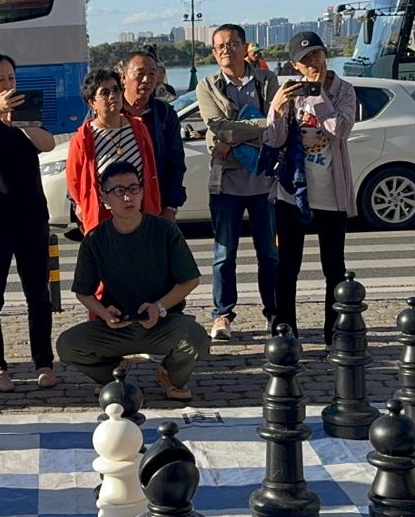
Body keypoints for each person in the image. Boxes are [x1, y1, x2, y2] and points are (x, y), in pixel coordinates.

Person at [57, 161, 207, 401]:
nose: (127, 197)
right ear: (104, 197)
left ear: (142, 191)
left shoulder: (165, 230)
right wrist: (104, 313)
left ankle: (170, 375)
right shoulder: (95, 239)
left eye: (133, 188)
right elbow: (83, 292)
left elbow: (190, 280)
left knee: (196, 337)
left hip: (162, 323)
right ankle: (113, 371)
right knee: (68, 345)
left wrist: (159, 307)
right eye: (118, 191)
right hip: (117, 327)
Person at [0, 52, 58, 392]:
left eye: (11, 78)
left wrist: (25, 123)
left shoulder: (24, 114)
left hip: (32, 215)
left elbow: (48, 144)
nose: (7, 85)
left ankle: (44, 363)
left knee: (39, 295)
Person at [263, 31, 357, 346]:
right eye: (305, 59)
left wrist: (317, 96)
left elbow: (340, 129)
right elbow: (273, 140)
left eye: (316, 54)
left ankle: (335, 332)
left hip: (331, 192)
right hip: (293, 191)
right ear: (295, 65)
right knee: (288, 265)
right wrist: (277, 107)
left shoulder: (344, 91)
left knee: (334, 266)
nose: (312, 62)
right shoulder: (290, 92)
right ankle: (285, 331)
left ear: (325, 54)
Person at [197, 23, 282, 341]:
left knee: (269, 254)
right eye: (220, 46)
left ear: (245, 47)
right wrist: (251, 129)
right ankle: (222, 314)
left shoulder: (266, 80)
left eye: (232, 43)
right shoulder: (208, 86)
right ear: (213, 52)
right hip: (226, 182)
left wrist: (232, 139)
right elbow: (217, 126)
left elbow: (276, 123)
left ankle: (274, 312)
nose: (226, 50)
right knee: (224, 254)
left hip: (264, 181)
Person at [65, 68, 161, 237]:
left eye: (116, 89)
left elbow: (151, 171)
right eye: (105, 92)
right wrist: (81, 206)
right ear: (92, 102)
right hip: (103, 217)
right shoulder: (83, 138)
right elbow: (74, 181)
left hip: (139, 214)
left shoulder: (138, 128)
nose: (113, 95)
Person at [121, 48, 186, 220]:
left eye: (152, 74)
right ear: (123, 77)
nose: (146, 80)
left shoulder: (165, 114)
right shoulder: (108, 110)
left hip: (154, 204)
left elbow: (176, 163)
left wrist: (171, 206)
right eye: (140, 73)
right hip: (114, 204)